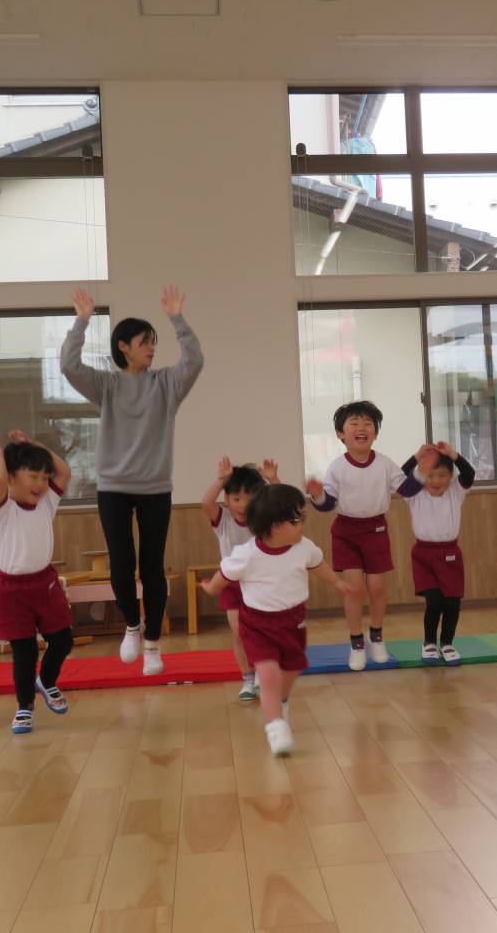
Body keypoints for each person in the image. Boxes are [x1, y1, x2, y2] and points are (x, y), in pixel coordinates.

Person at [62, 285, 203, 677]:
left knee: (152, 567)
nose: (152, 348)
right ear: (123, 347)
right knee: (121, 567)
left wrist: (177, 318)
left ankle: (153, 642)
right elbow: (69, 366)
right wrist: (82, 321)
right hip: (113, 489)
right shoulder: (107, 385)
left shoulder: (167, 384)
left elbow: (194, 360)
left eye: (154, 342)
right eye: (145, 342)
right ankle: (132, 626)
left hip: (155, 488)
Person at [204, 484, 355, 756]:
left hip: (293, 621)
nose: (302, 524)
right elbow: (224, 575)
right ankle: (275, 727)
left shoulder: (303, 547)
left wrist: (337, 583)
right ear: (275, 527)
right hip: (257, 624)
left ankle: (281, 700)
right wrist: (211, 588)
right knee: (269, 674)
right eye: (296, 520)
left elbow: (318, 565)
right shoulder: (247, 554)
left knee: (292, 668)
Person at [306, 400, 421, 671]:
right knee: (354, 589)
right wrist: (317, 494)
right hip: (346, 531)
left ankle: (376, 636)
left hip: (375, 529)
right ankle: (356, 642)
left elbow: (407, 490)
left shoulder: (384, 463)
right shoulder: (337, 467)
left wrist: (423, 473)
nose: (362, 428)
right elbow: (327, 505)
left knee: (377, 588)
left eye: (368, 423)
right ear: (340, 434)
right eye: (354, 423)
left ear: (375, 433)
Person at [0, 432, 75, 734]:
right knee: (24, 653)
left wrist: (37, 448)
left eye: (43, 477)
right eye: (33, 476)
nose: (40, 483)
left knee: (63, 640)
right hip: (11, 590)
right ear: (12, 477)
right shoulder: (1, 509)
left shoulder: (46, 502)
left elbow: (64, 472)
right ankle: (24, 706)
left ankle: (46, 681)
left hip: (45, 583)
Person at [200, 456, 280, 701]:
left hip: (259, 583)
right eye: (236, 499)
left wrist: (274, 480)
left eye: (250, 498)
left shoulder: (263, 519)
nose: (243, 505)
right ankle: (247, 677)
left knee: (261, 632)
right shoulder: (223, 520)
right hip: (231, 584)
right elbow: (206, 502)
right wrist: (221, 480)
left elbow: (284, 504)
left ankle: (262, 673)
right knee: (239, 633)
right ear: (227, 500)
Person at [400, 441, 475, 664]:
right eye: (430, 476)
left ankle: (448, 643)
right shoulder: (414, 494)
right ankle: (429, 642)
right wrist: (417, 457)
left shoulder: (455, 492)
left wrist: (453, 455)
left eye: (442, 475)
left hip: (450, 554)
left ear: (450, 477)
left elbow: (469, 474)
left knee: (452, 603)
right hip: (424, 555)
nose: (436, 481)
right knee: (434, 602)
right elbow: (399, 477)